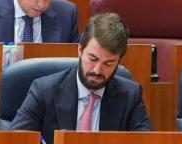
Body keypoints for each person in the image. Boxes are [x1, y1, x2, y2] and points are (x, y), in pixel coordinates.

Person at [9, 12, 152, 142]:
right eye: (93, 58)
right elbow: (15, 140)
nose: (97, 70)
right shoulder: (44, 91)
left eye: (108, 63)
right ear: (80, 50)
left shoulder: (130, 96)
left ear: (119, 60)